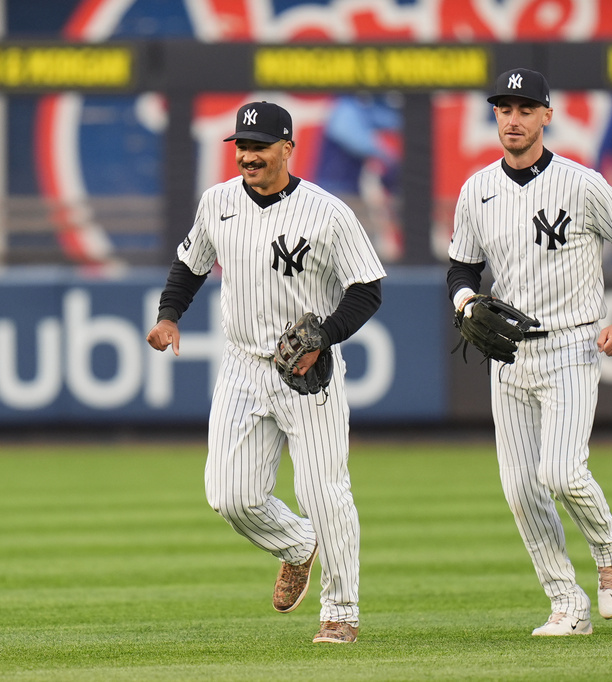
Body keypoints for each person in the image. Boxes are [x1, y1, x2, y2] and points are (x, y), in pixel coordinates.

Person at [146, 101, 386, 644]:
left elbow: (367, 289)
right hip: (243, 365)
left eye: (258, 146)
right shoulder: (218, 202)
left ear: (287, 148)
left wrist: (322, 336)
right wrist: (168, 316)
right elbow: (190, 264)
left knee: (326, 492)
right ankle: (299, 545)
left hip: (309, 371)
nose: (248, 156)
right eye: (241, 146)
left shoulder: (328, 212)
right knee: (228, 495)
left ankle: (341, 612)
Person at [447, 68, 612, 636]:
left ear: (546, 115)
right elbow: (462, 265)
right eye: (503, 109)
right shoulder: (477, 188)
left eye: (524, 109)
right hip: (507, 353)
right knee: (520, 490)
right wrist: (465, 300)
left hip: (569, 342)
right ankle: (567, 602)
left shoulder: (581, 183)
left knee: (561, 471)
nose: (512, 119)